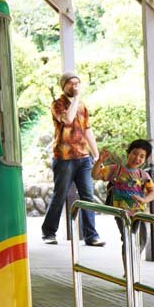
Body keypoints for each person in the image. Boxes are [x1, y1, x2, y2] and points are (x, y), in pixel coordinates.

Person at [41, 73, 104, 246]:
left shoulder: (82, 106)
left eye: (77, 83)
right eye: (71, 83)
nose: (75, 86)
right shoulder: (58, 104)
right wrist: (75, 99)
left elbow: (87, 130)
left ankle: (91, 236)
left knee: (88, 196)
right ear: (64, 86)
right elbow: (67, 119)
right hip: (64, 157)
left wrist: (96, 154)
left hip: (83, 157)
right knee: (60, 195)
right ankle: (48, 232)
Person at [92, 139, 154, 258]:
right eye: (134, 153)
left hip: (139, 213)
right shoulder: (116, 169)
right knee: (128, 240)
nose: (137, 158)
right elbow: (95, 175)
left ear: (145, 159)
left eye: (142, 156)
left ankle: (133, 263)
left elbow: (153, 192)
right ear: (128, 153)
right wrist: (99, 161)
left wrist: (144, 200)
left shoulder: (143, 175)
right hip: (121, 213)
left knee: (141, 240)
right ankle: (128, 270)